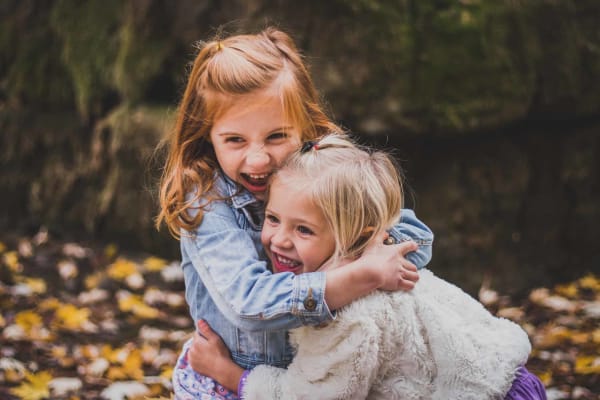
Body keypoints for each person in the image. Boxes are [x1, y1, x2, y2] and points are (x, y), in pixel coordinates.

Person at [156, 28, 434, 399]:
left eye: (275, 137)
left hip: (316, 374)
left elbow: (415, 240)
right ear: (207, 135)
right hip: (231, 379)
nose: (258, 159)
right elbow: (249, 303)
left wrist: (358, 260)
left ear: (305, 126)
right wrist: (356, 275)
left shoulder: (323, 174)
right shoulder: (208, 201)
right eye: (235, 140)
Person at [188, 134, 547, 399]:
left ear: (356, 235)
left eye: (303, 229)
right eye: (272, 218)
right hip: (505, 378)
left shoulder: (348, 314)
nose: (279, 239)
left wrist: (230, 374)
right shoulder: (383, 261)